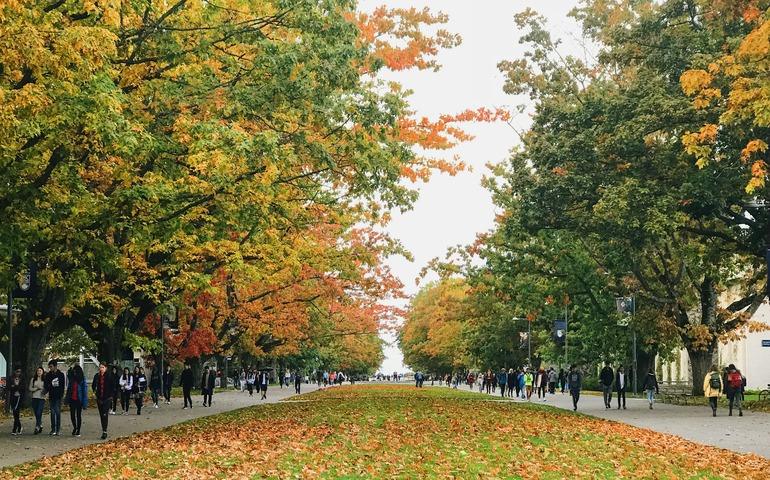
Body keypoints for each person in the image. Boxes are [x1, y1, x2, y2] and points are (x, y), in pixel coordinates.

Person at [92, 362, 115, 440]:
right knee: (102, 414)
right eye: (100, 367)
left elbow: (113, 386)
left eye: (102, 367)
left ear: (106, 368)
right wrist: (95, 392)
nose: (101, 369)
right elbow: (93, 385)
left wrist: (111, 396)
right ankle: (103, 428)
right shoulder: (97, 376)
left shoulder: (109, 376)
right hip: (99, 398)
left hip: (107, 398)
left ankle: (105, 431)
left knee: (105, 414)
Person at [44, 360, 66, 435]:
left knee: (57, 412)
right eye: (49, 367)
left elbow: (62, 386)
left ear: (55, 366)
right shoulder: (48, 375)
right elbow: (46, 385)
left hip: (58, 396)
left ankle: (58, 429)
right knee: (52, 412)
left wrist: (61, 395)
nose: (50, 368)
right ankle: (53, 428)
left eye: (51, 367)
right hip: (51, 395)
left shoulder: (61, 375)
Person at [66, 364, 88, 436]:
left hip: (79, 399)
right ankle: (75, 427)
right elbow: (68, 374)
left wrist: (84, 403)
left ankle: (78, 429)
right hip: (72, 399)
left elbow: (84, 392)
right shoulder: (72, 379)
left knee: (78, 415)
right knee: (72, 415)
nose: (74, 373)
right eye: (74, 372)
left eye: (76, 372)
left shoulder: (82, 380)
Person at [29, 366, 46, 434]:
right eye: (38, 371)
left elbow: (46, 389)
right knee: (36, 413)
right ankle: (40, 424)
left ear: (42, 372)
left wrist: (45, 394)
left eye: (40, 371)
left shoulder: (45, 379)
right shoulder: (33, 379)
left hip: (42, 398)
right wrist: (36, 389)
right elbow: (30, 388)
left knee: (39, 412)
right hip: (34, 397)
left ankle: (37, 427)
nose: (39, 372)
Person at [9, 368, 24, 435]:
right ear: (14, 371)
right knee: (15, 413)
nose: (18, 373)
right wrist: (16, 387)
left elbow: (23, 387)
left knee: (16, 412)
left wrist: (15, 386)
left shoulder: (22, 379)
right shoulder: (11, 378)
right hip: (13, 397)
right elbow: (8, 387)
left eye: (20, 372)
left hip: (19, 397)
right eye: (17, 371)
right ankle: (19, 427)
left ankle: (14, 429)